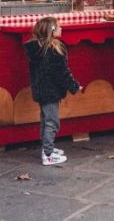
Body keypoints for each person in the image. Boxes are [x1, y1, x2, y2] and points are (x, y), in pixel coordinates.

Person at [23, 16, 81, 166]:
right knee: (52, 122)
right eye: (59, 26)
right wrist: (74, 86)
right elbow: (62, 73)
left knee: (45, 120)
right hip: (51, 91)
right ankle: (48, 154)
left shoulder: (37, 49)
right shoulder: (55, 50)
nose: (62, 28)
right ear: (52, 31)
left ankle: (46, 148)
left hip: (41, 90)